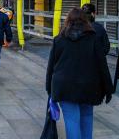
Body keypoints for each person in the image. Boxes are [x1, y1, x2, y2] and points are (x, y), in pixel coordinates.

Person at [46, 8, 113, 139]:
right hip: (88, 87)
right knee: (87, 118)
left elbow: (51, 67)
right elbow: (102, 66)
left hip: (64, 87)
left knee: (71, 121)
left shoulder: (59, 39)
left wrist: (49, 89)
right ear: (86, 21)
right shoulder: (93, 39)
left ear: (68, 21)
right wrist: (108, 89)